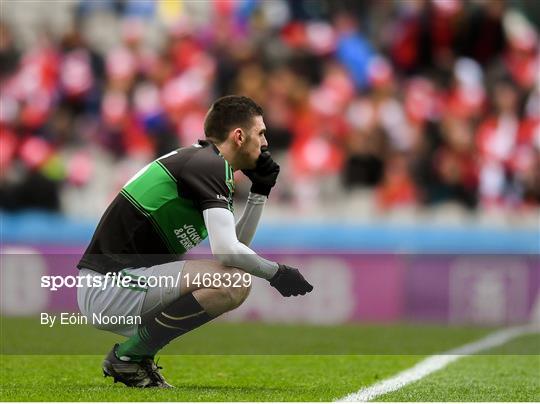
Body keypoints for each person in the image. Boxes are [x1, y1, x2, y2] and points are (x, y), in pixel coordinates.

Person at [76, 95, 313, 388]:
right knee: (235, 282)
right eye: (261, 133)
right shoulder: (209, 165)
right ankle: (128, 358)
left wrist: (260, 191)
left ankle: (134, 358)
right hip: (110, 285)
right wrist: (276, 273)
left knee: (232, 279)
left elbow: (233, 247)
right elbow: (228, 253)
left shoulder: (206, 164)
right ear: (239, 136)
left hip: (120, 283)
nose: (265, 143)